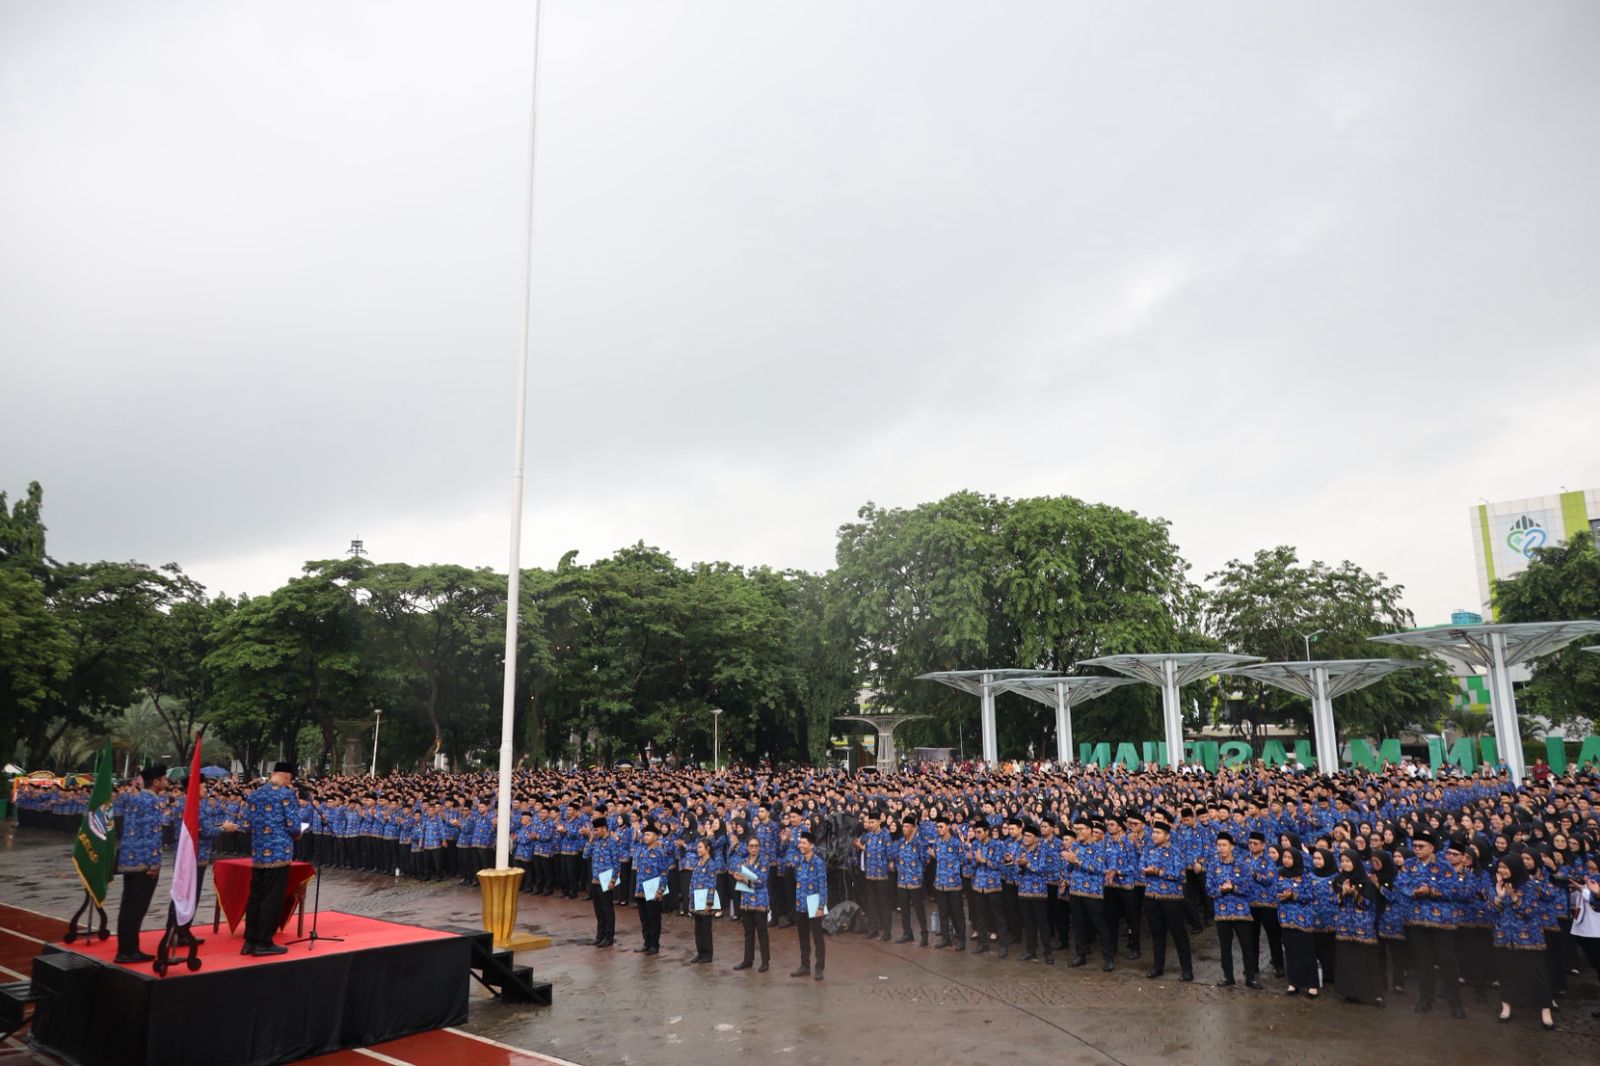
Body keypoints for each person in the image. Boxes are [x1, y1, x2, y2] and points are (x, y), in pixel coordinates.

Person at [1396, 831, 1467, 1018]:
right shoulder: (1409, 865)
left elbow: (1455, 889)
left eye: (1421, 846)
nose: (1417, 850)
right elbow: (1401, 884)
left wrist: (1431, 891)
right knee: (1423, 962)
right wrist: (1414, 891)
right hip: (1417, 919)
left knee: (1448, 962)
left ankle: (1455, 1003)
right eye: (1415, 846)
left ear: (1432, 848)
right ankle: (1425, 999)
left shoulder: (1445, 866)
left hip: (1442, 922)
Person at [112, 765, 169, 963]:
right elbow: (152, 834)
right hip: (143, 862)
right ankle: (128, 951)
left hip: (130, 859)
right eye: (164, 779)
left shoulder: (136, 799)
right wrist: (154, 863)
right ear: (156, 782)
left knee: (128, 906)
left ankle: (127, 948)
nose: (166, 782)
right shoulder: (151, 802)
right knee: (136, 908)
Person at [242, 763, 300, 956]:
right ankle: (264, 942)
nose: (289, 783)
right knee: (272, 899)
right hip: (278, 854)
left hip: (258, 853)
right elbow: (293, 825)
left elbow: (246, 824)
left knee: (255, 897)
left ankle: (249, 941)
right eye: (290, 779)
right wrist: (297, 834)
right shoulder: (286, 794)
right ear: (285, 775)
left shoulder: (255, 794)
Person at [1491, 855, 1554, 1029]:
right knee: (1506, 972)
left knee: (1537, 974)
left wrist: (1513, 897)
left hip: (1529, 937)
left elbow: (1529, 911)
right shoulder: (1499, 885)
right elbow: (1491, 912)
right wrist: (1499, 897)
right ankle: (1506, 1007)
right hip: (1504, 936)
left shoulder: (1531, 887)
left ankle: (1545, 1011)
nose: (1502, 871)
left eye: (1505, 867)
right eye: (1500, 867)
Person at [1205, 831, 1260, 988]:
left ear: (1232, 847)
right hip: (1222, 913)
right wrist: (1221, 889)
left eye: (1224, 845)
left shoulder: (1242, 865)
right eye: (1219, 845)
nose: (1221, 848)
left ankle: (1250, 977)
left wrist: (1234, 887)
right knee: (1225, 947)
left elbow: (1249, 888)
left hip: (1241, 912)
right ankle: (1228, 976)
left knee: (1247, 946)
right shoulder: (1213, 866)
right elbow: (1209, 889)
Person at [1141, 816, 1193, 981]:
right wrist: (1146, 870)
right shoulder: (1148, 850)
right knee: (1157, 933)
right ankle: (1158, 966)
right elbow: (1140, 868)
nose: (1154, 835)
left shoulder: (1175, 852)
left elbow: (1179, 874)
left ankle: (1187, 970)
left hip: (1172, 898)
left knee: (1179, 934)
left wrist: (1159, 872)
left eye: (1158, 832)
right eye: (1153, 832)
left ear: (1167, 835)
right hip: (1151, 896)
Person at [1332, 850, 1382, 1005]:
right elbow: (1332, 900)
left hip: (1363, 927)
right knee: (1347, 959)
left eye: (1348, 861)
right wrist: (1342, 893)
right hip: (1345, 926)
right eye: (1343, 861)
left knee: (1365, 959)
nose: (1345, 864)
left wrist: (1355, 894)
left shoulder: (1366, 881)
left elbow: (1368, 904)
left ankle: (1371, 993)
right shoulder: (1338, 880)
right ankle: (1350, 992)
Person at [1277, 844, 1326, 998]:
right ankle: (1293, 983)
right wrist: (1282, 896)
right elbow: (1274, 892)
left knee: (1306, 952)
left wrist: (1294, 895)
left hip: (1302, 919)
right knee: (1290, 951)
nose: (1286, 860)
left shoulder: (1305, 875)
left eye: (1289, 857)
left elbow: (1311, 895)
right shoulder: (1279, 874)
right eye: (1284, 857)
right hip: (1286, 919)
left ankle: (1312, 985)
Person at [730, 835, 773, 972]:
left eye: (756, 846)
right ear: (747, 848)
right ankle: (748, 960)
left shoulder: (764, 862)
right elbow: (734, 872)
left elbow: (761, 881)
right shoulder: (743, 862)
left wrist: (744, 879)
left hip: (760, 901)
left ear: (759, 848)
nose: (754, 848)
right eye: (751, 846)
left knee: (762, 932)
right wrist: (737, 876)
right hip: (746, 901)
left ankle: (765, 961)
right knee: (748, 933)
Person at [789, 832, 828, 980]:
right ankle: (804, 965)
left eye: (804, 843)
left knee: (818, 937)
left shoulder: (818, 862)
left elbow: (823, 885)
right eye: (800, 843)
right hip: (800, 902)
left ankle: (819, 968)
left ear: (811, 845)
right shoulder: (799, 860)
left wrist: (821, 906)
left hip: (815, 901)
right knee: (803, 936)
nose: (801, 845)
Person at [582, 815, 621, 948]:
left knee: (607, 910)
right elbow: (585, 855)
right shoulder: (596, 841)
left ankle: (608, 937)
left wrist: (613, 880)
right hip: (595, 879)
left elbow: (617, 863)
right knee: (598, 910)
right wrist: (590, 840)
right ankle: (600, 935)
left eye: (597, 830)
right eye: (594, 830)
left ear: (604, 828)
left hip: (607, 878)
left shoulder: (612, 842)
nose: (595, 832)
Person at [633, 823, 672, 955]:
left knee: (653, 918)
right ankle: (646, 942)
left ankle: (654, 944)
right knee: (644, 918)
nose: (645, 837)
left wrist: (660, 890)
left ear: (656, 836)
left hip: (653, 888)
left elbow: (664, 872)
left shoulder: (660, 851)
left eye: (648, 834)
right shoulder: (643, 850)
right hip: (640, 888)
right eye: (644, 834)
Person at [931, 817, 967, 951]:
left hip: (954, 883)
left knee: (957, 912)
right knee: (943, 912)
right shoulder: (937, 843)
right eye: (937, 827)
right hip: (940, 882)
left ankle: (962, 939)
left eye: (941, 826)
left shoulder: (956, 843)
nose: (939, 829)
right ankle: (945, 937)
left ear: (948, 827)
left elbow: (963, 860)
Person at [891, 817, 929, 946]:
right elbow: (895, 857)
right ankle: (907, 933)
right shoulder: (900, 842)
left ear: (913, 827)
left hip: (915, 880)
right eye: (904, 826)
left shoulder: (919, 843)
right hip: (902, 880)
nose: (905, 829)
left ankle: (924, 934)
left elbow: (925, 860)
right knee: (904, 909)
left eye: (908, 826)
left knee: (919, 908)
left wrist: (917, 872)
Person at [688, 838, 723, 963]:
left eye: (700, 847)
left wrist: (709, 903)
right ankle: (700, 952)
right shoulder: (698, 862)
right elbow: (692, 881)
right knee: (698, 928)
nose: (698, 850)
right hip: (696, 898)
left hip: (705, 899)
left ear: (707, 849)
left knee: (705, 929)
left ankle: (707, 955)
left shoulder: (711, 864)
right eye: (697, 847)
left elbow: (712, 885)